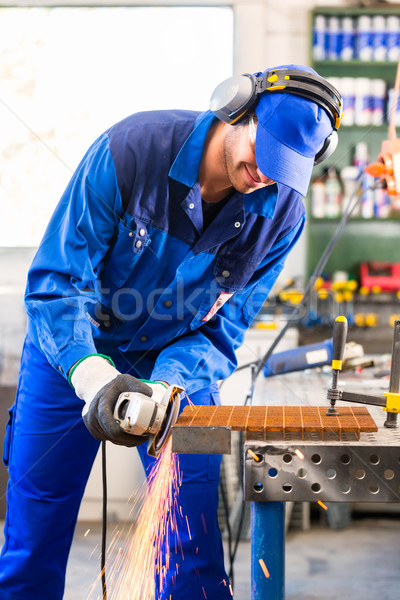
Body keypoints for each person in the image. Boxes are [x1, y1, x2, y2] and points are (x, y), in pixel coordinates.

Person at [0, 64, 341, 600]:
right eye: (264, 152)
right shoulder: (131, 150)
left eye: (286, 168)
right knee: (35, 526)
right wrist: (92, 375)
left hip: (175, 361)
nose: (266, 176)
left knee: (190, 528)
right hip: (72, 351)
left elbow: (224, 328)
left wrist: (169, 386)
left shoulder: (281, 213)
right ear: (238, 107)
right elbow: (55, 284)